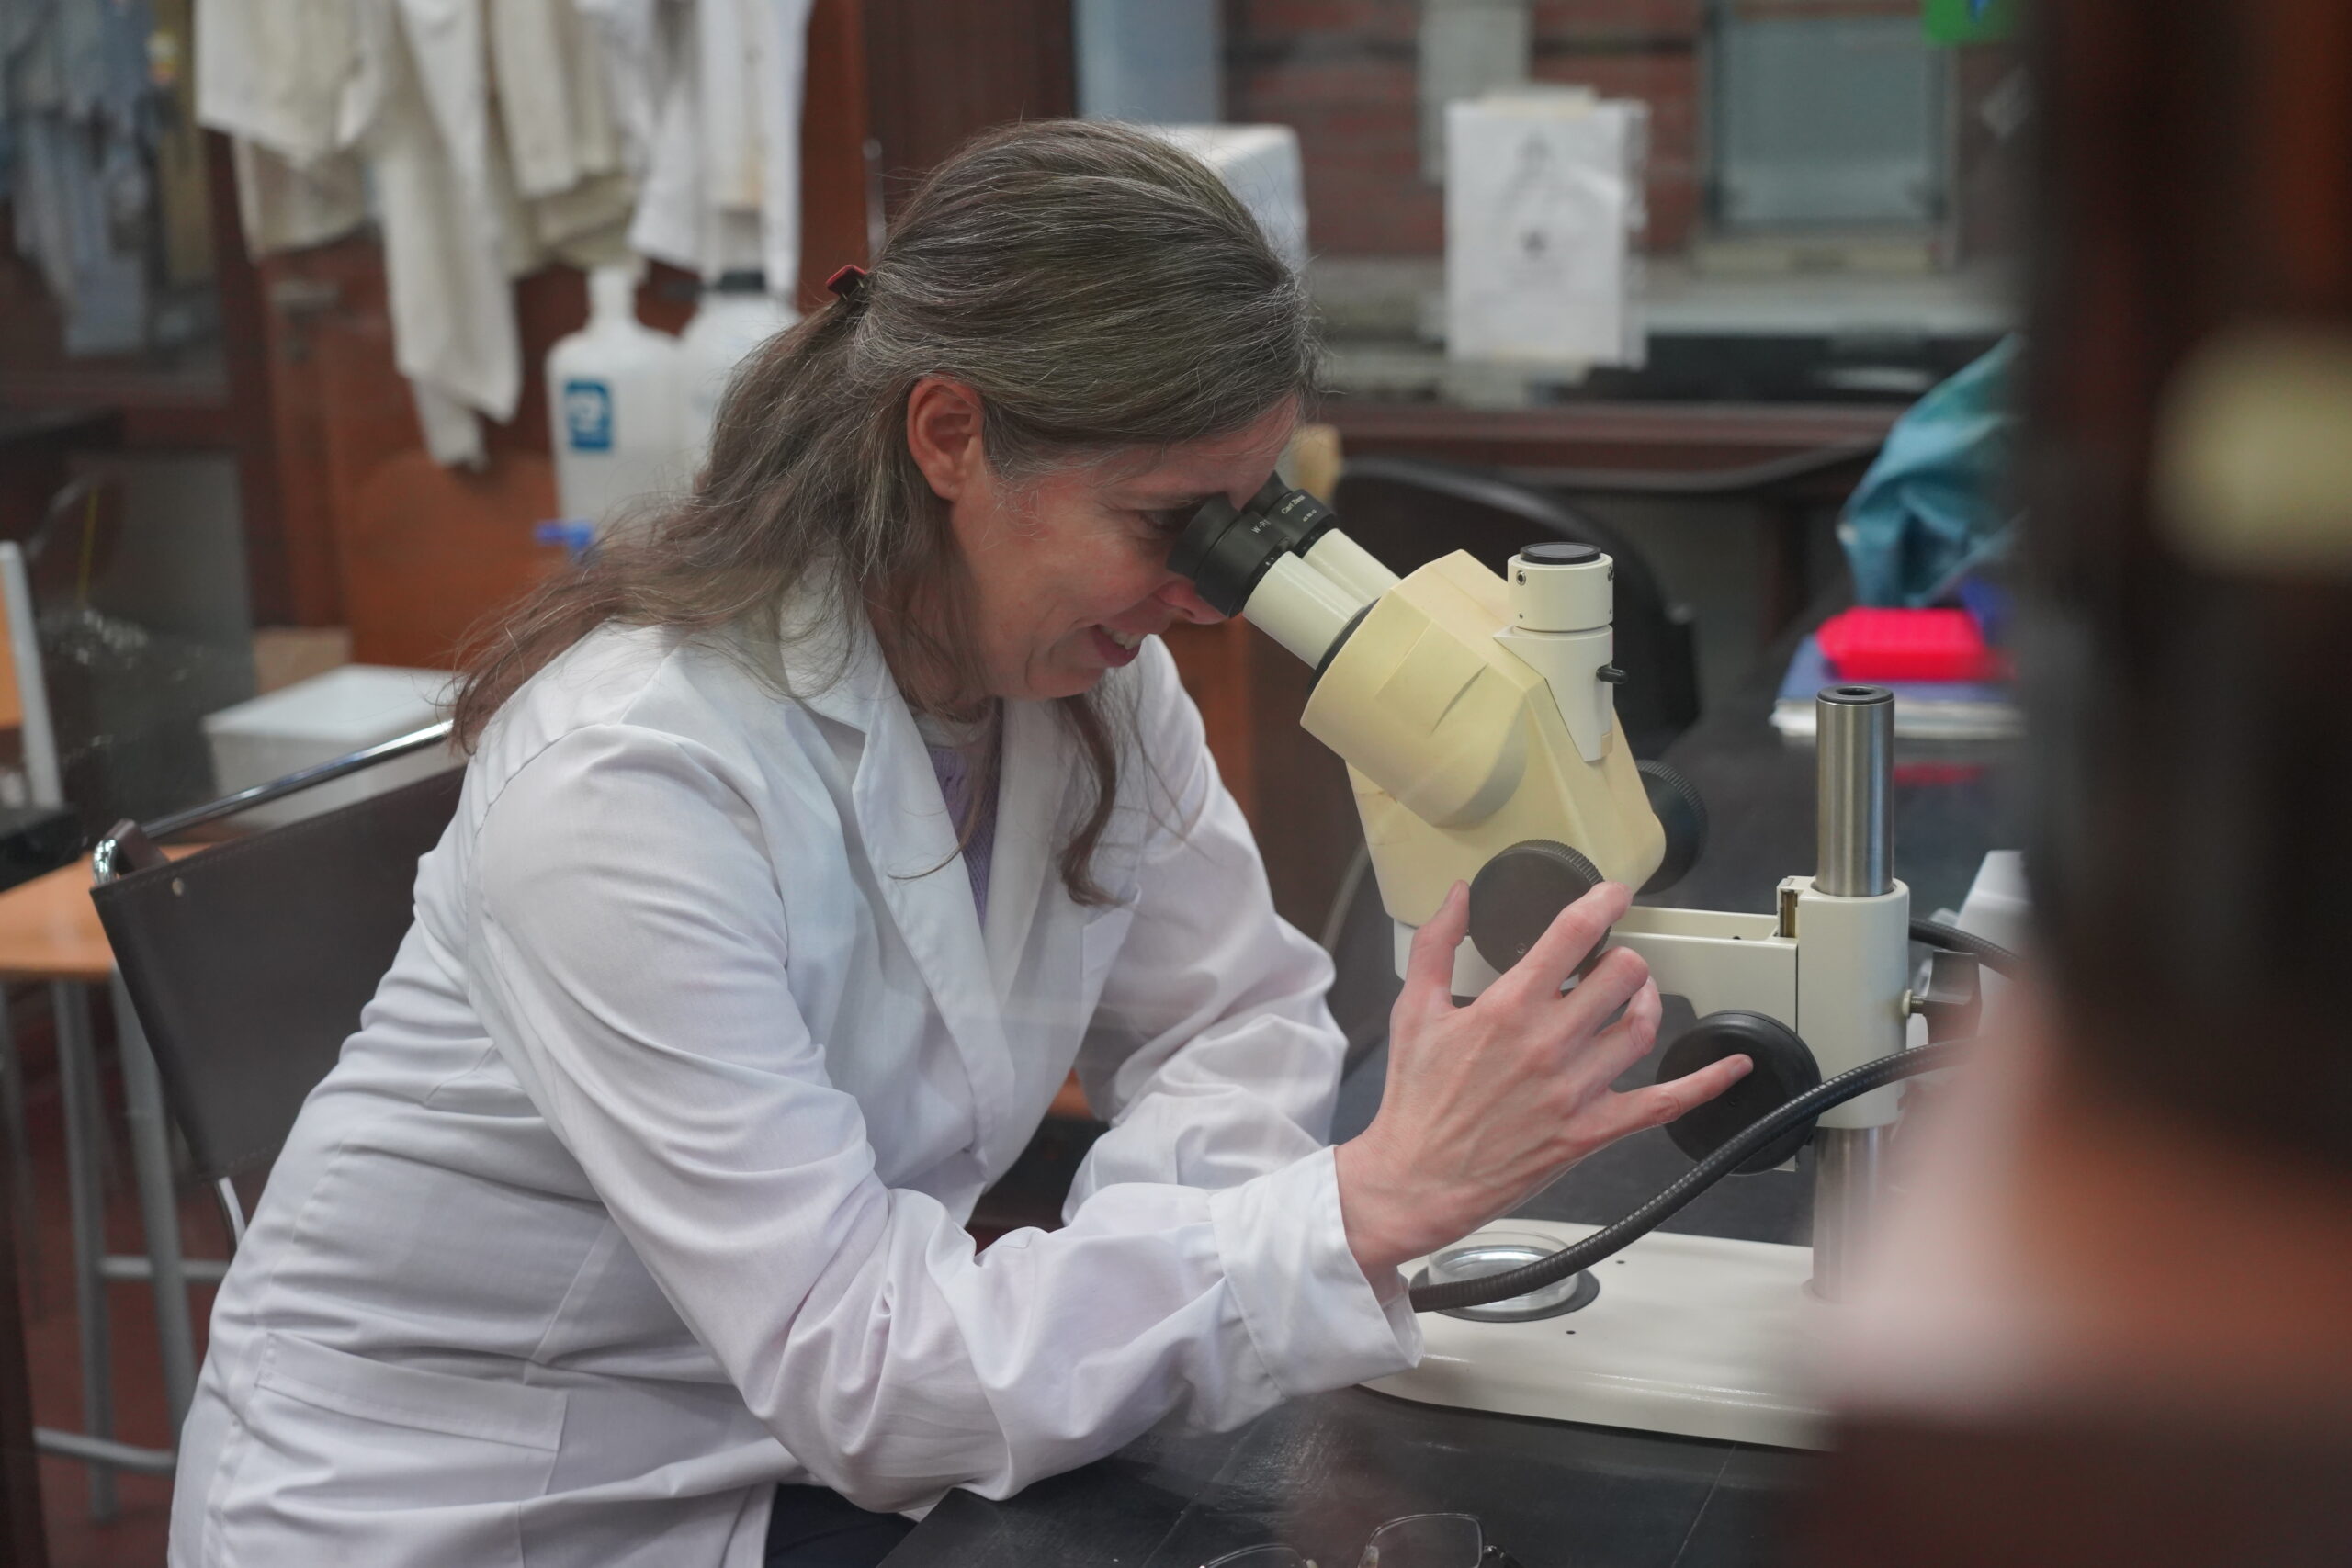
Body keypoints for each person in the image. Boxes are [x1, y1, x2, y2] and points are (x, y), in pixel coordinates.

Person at [167, 121, 1748, 1568]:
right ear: (949, 435)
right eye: (1170, 522)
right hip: (464, 1510)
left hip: (773, 1446)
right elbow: (869, 1375)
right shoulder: (633, 781)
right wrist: (1337, 1219)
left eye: (1247, 519)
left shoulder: (1084, 681)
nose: (1211, 596)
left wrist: (1183, 1271)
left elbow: (1228, 1019)